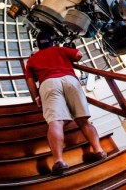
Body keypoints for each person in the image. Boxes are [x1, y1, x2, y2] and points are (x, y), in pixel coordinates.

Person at [25, 31, 106, 175]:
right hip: (70, 80)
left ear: (37, 45)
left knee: (55, 122)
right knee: (84, 120)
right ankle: (99, 150)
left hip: (48, 83)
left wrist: (36, 97)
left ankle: (59, 161)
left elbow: (30, 81)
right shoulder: (60, 49)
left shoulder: (32, 59)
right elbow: (79, 55)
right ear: (51, 41)